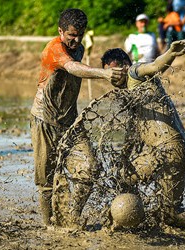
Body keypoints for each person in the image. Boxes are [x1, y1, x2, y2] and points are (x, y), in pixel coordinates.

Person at [100, 40, 185, 230]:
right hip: (159, 152)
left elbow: (156, 66)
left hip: (172, 151)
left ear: (125, 65)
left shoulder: (135, 72)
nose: (113, 77)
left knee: (171, 217)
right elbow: (135, 136)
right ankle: (132, 218)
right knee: (124, 177)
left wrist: (171, 53)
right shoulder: (127, 94)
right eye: (109, 74)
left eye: (115, 70)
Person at [30, 8, 126, 226]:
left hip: (71, 122)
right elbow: (72, 67)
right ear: (60, 31)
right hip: (45, 120)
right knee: (46, 180)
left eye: (79, 34)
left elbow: (78, 64)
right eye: (71, 35)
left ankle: (72, 216)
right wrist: (103, 74)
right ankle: (49, 226)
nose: (75, 40)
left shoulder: (80, 48)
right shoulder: (54, 49)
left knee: (91, 167)